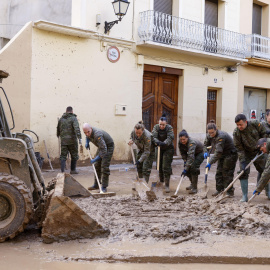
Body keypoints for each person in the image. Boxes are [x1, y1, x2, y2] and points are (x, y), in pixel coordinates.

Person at [233, 113, 267, 202]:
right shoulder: (236, 133)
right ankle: (244, 196)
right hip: (246, 153)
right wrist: (243, 161)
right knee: (243, 172)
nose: (239, 126)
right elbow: (239, 149)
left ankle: (268, 191)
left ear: (245, 122)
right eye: (237, 125)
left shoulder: (255, 124)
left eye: (241, 124)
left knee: (265, 171)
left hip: (260, 150)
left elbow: (264, 134)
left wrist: (263, 147)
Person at [204, 121, 237, 197]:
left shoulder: (221, 136)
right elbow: (205, 144)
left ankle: (229, 191)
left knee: (227, 172)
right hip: (222, 154)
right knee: (219, 171)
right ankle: (219, 190)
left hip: (230, 154)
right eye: (209, 133)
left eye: (212, 132)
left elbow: (218, 152)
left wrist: (210, 162)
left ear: (216, 129)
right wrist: (205, 151)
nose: (211, 135)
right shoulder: (209, 135)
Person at [83, 123, 114, 193]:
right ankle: (96, 184)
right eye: (85, 132)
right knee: (96, 165)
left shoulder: (97, 134)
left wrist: (95, 159)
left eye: (88, 132)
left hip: (108, 147)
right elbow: (87, 137)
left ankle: (104, 186)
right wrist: (87, 142)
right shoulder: (88, 131)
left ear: (91, 128)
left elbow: (104, 150)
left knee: (104, 166)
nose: (87, 134)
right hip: (102, 147)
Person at [152, 114, 174, 193]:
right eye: (160, 124)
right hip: (159, 148)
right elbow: (153, 137)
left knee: (165, 166)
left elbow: (170, 137)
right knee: (159, 165)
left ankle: (167, 185)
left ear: (166, 124)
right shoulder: (156, 127)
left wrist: (164, 143)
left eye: (163, 125)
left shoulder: (169, 128)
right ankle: (161, 182)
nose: (161, 126)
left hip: (168, 149)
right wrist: (157, 142)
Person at [57, 106, 82, 174]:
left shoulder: (61, 119)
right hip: (72, 141)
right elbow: (76, 128)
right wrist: (80, 137)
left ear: (66, 111)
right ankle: (73, 170)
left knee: (63, 155)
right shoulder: (73, 118)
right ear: (72, 111)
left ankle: (62, 171)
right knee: (74, 155)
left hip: (64, 141)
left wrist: (58, 135)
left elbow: (58, 129)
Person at [179, 129, 204, 194]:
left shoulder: (191, 143)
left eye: (184, 139)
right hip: (192, 154)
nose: (182, 141)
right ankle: (192, 184)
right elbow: (183, 153)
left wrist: (186, 167)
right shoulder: (180, 143)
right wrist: (185, 161)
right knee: (187, 168)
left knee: (193, 167)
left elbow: (191, 157)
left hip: (200, 153)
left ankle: (194, 188)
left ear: (187, 137)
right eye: (181, 140)